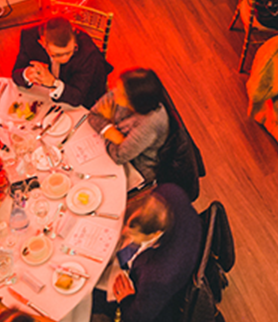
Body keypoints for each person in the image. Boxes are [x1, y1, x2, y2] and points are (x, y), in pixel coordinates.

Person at [93, 183, 203, 322]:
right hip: (177, 242)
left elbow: (137, 317)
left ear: (155, 234)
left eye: (131, 233)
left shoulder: (157, 277)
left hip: (147, 298)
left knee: (90, 298)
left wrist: (126, 300)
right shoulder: (169, 191)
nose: (123, 232)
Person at [86, 68, 172, 185]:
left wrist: (109, 125)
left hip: (136, 166)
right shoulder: (124, 91)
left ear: (136, 102)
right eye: (117, 86)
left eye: (121, 94)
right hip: (112, 148)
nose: (113, 92)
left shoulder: (150, 123)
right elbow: (92, 115)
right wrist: (111, 132)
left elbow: (119, 156)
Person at [13, 15, 114, 107]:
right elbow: (16, 74)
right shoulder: (29, 38)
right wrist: (27, 74)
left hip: (79, 95)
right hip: (43, 96)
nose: (65, 58)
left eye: (70, 51)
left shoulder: (88, 53)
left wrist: (53, 83)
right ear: (43, 43)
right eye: (57, 55)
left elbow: (78, 97)